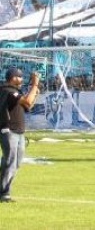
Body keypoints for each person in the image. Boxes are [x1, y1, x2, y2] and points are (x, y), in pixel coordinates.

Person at [0, 67, 40, 203]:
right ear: (13, 78)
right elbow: (27, 101)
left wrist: (35, 93)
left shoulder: (15, 92)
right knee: (10, 162)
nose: (22, 79)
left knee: (15, 163)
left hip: (19, 132)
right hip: (9, 131)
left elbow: (28, 106)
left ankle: (4, 190)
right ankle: (4, 193)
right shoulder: (7, 90)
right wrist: (34, 85)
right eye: (20, 76)